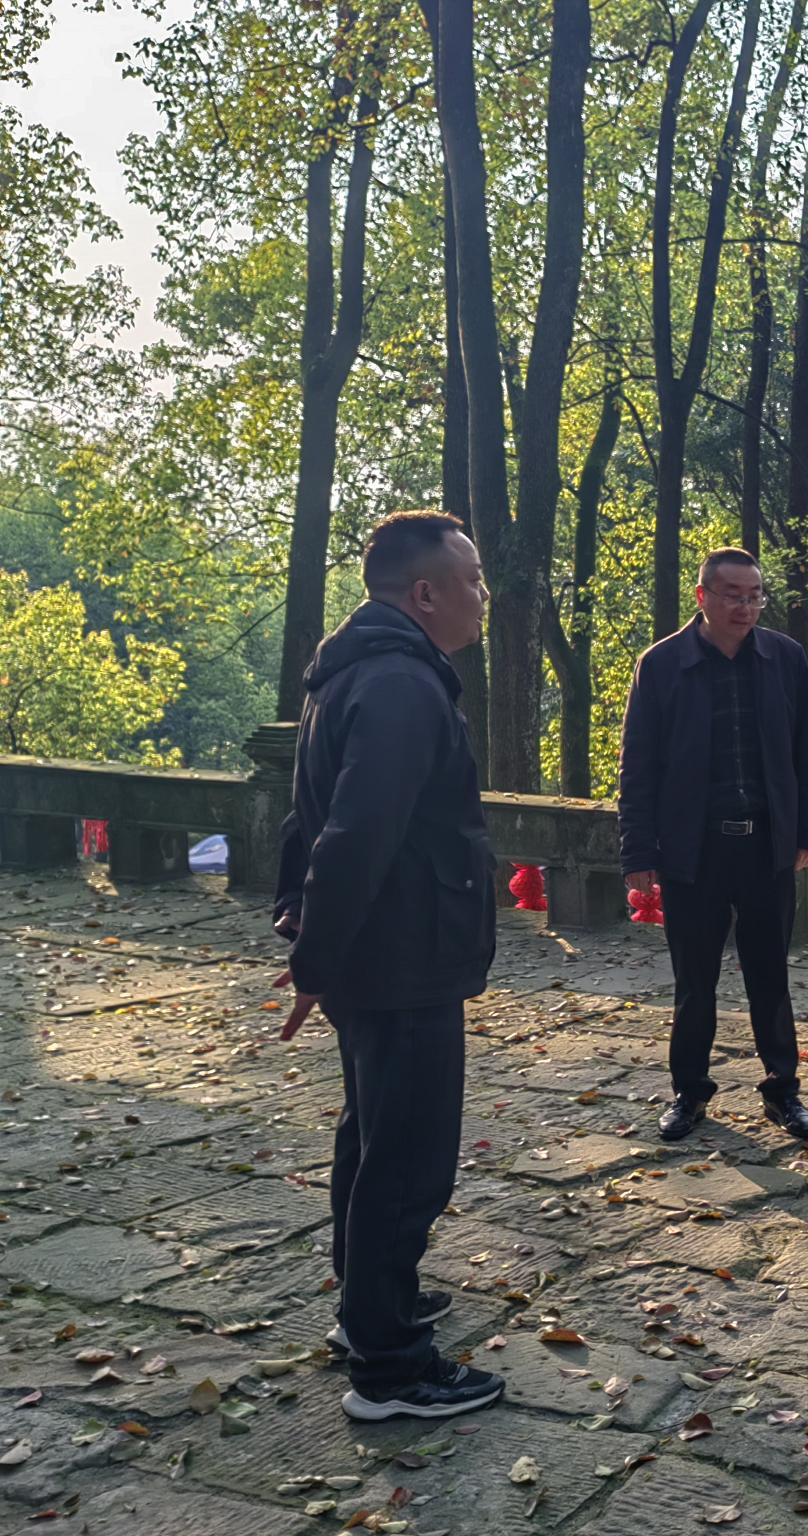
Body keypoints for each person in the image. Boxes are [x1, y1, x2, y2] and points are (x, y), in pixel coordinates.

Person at [271, 510, 503, 1421]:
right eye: (472, 579)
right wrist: (316, 960)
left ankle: (369, 1306)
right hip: (403, 954)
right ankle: (391, 1368)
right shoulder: (400, 683)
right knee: (407, 1161)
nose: (483, 595)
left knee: (370, 1138)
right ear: (426, 593)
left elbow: (309, 815)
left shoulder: (353, 669)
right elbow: (353, 832)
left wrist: (313, 942)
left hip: (382, 951)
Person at [618, 548, 808, 1143]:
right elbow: (639, 765)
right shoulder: (662, 664)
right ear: (703, 596)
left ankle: (783, 1090)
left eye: (755, 595)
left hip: (766, 846)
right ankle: (689, 1093)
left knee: (770, 978)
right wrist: (638, 851)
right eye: (733, 595)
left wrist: (806, 832)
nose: (745, 606)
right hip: (694, 849)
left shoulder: (784, 658)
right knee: (694, 982)